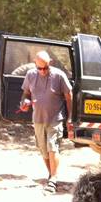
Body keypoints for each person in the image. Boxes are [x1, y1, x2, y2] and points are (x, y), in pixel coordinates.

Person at [20, 50, 72, 193]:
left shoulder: (59, 76)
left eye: (45, 67)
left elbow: (69, 96)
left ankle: (53, 179)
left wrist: (70, 117)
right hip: (38, 119)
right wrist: (24, 102)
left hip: (55, 118)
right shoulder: (30, 75)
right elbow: (26, 93)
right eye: (40, 68)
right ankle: (51, 175)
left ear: (50, 63)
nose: (43, 71)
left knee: (52, 146)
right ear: (35, 64)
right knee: (43, 149)